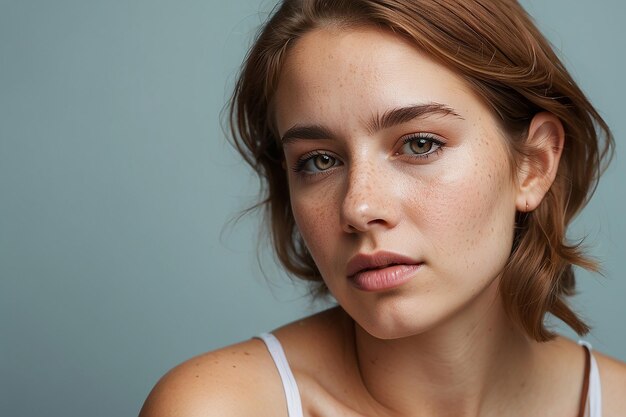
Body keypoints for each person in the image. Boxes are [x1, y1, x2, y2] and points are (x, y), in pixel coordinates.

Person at [139, 1, 626, 416]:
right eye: (319, 160)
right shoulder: (220, 406)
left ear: (533, 165)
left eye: (418, 144)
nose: (359, 206)